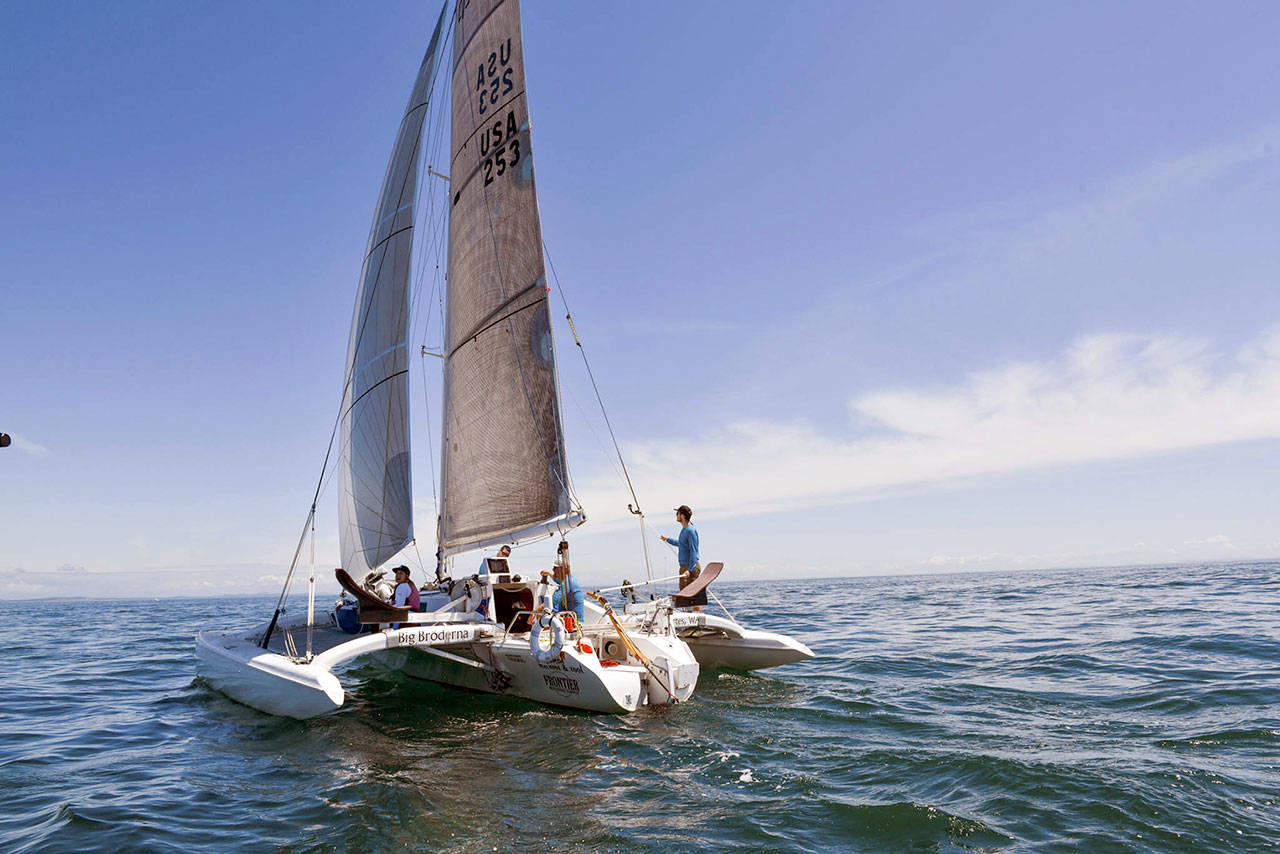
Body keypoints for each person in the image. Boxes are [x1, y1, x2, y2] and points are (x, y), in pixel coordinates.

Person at [659, 504, 703, 611]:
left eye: (677, 513)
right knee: (684, 596)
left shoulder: (690, 531)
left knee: (692, 597)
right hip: (684, 567)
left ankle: (696, 618)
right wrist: (667, 539)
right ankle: (689, 617)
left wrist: (690, 570)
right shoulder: (684, 530)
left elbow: (694, 551)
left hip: (690, 567)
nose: (676, 516)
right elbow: (681, 543)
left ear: (682, 516)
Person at [536, 541, 584, 624]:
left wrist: (536, 610)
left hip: (573, 622)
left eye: (555, 568)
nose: (553, 570)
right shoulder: (567, 579)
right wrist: (547, 573)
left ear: (562, 570)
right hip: (566, 617)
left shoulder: (567, 583)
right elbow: (556, 579)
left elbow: (554, 600)